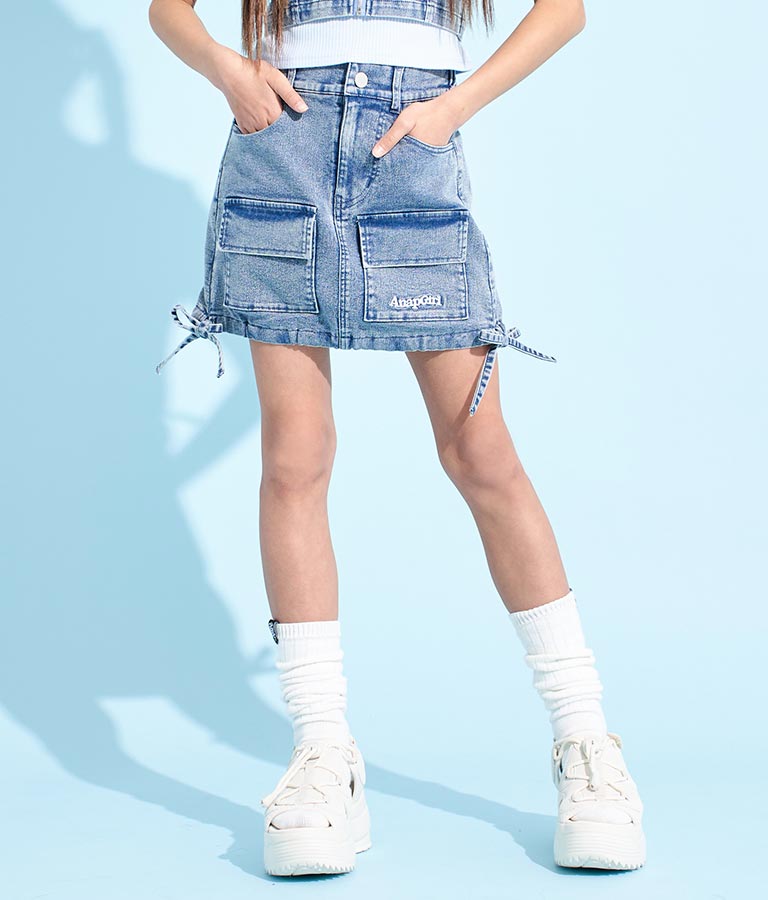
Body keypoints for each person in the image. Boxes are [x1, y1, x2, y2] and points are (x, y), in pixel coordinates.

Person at [148, 0, 646, 878]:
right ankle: (323, 756)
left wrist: (454, 108)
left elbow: (563, 11)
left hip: (411, 149)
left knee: (480, 455)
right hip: (282, 146)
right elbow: (167, 10)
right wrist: (228, 70)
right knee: (295, 459)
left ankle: (587, 748)